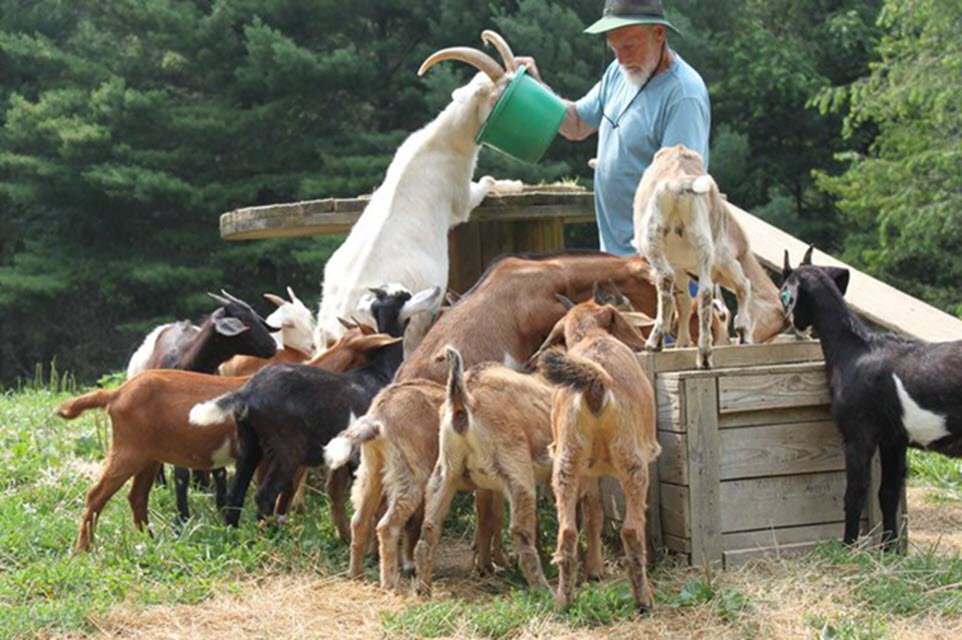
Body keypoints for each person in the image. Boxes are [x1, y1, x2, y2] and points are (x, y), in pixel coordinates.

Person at [519, 0, 710, 256]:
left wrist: (649, 264)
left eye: (629, 46)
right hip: (616, 257)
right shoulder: (619, 73)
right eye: (614, 47)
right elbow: (575, 124)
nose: (621, 58)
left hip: (662, 262)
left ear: (659, 33)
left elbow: (679, 193)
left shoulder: (683, 94)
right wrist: (536, 90)